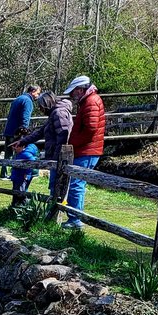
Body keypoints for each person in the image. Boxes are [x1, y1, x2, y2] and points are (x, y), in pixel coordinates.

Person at [13, 91, 72, 203]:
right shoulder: (53, 114)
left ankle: (55, 213)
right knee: (54, 186)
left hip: (58, 158)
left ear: (47, 104)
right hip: (55, 157)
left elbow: (63, 137)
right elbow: (40, 132)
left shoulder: (59, 113)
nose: (40, 109)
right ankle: (53, 212)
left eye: (41, 107)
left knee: (57, 186)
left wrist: (57, 158)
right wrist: (22, 141)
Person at [63, 75, 106, 229]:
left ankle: (75, 219)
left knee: (76, 185)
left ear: (80, 90)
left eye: (73, 92)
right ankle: (74, 218)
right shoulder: (88, 101)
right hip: (86, 149)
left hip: (87, 150)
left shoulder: (91, 102)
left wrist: (73, 143)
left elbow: (90, 130)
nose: (71, 95)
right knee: (77, 184)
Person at [1, 84, 40, 179]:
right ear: (33, 92)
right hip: (17, 132)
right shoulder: (28, 101)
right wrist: (24, 132)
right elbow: (25, 117)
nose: (38, 96)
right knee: (18, 152)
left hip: (9, 129)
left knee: (8, 153)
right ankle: (14, 173)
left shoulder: (18, 98)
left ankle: (4, 173)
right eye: (38, 93)